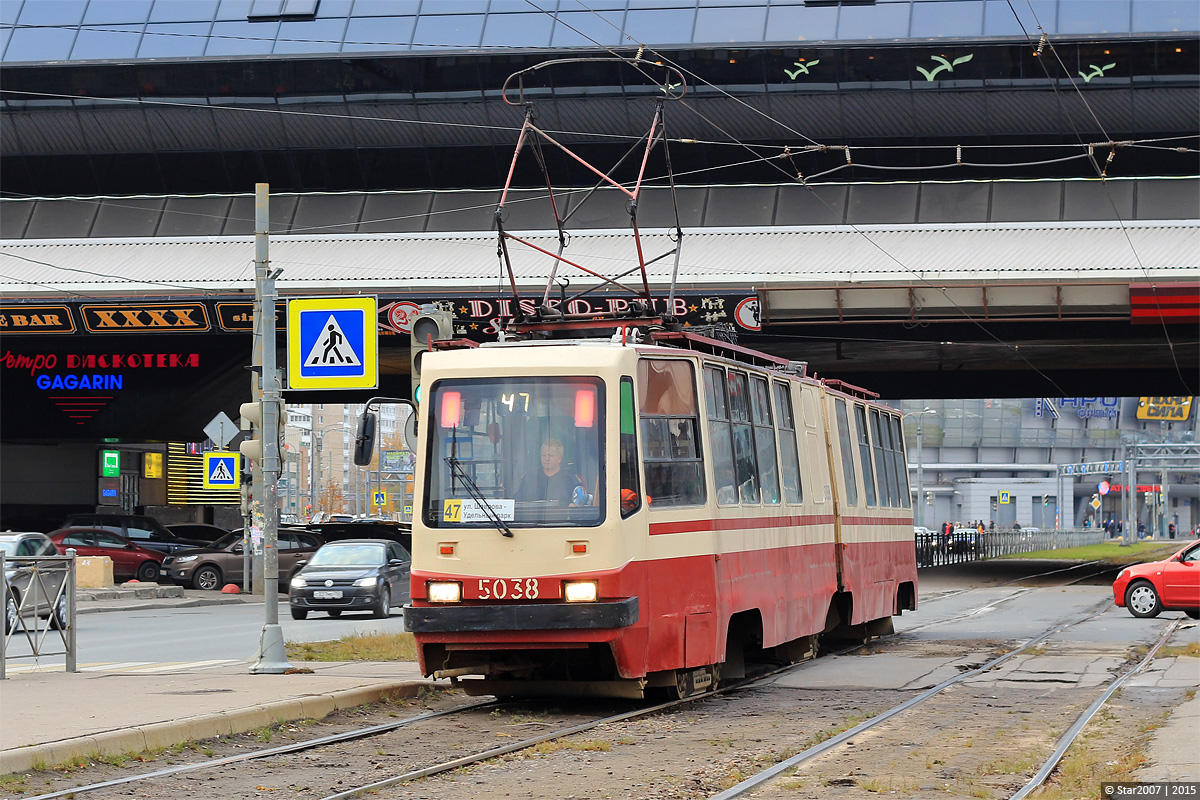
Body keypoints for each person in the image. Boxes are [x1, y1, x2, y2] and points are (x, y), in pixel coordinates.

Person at [515, 438, 579, 506]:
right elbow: (517, 503)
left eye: (551, 456)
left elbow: (580, 504)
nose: (547, 459)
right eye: (544, 455)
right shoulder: (529, 478)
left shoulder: (570, 480)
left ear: (559, 458)